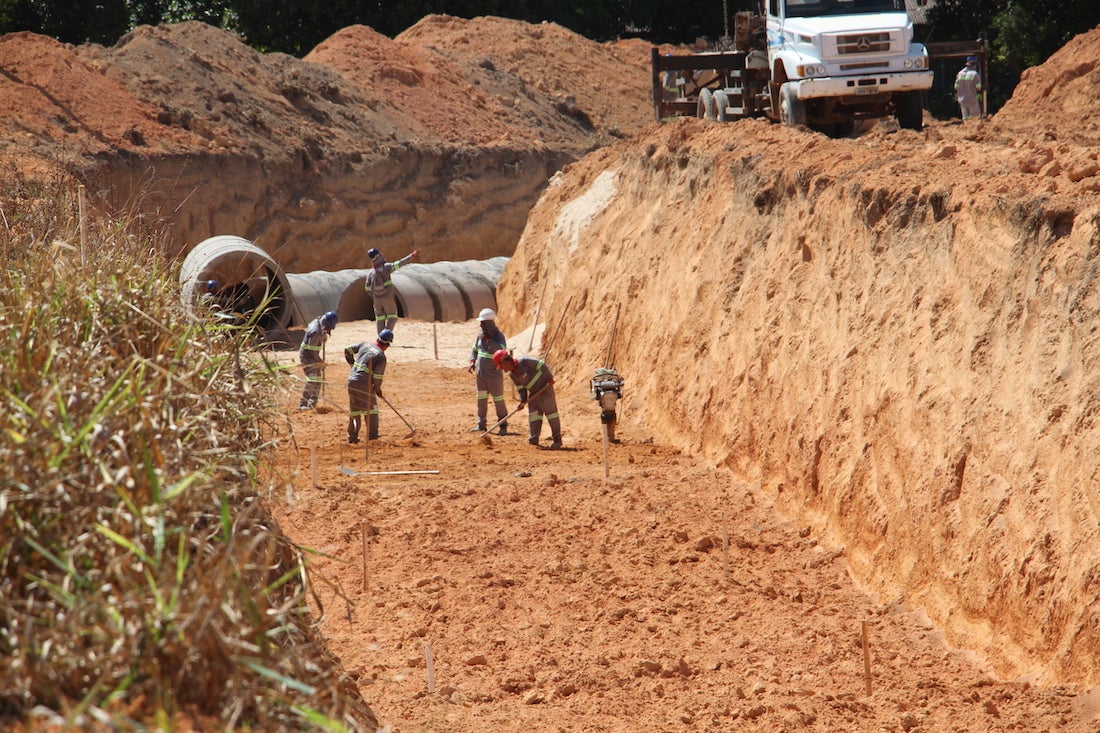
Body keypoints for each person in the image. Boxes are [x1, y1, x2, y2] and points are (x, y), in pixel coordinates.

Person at [493, 350, 562, 449]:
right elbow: (521, 388)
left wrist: (549, 377)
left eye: (502, 366)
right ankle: (534, 439)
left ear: (505, 361)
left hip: (545, 390)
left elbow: (541, 365)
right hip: (533, 394)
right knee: (534, 417)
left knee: (552, 415)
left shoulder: (525, 361)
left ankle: (557, 440)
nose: (503, 370)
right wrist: (522, 400)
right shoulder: (512, 375)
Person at [345, 328, 393, 443]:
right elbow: (377, 377)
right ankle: (373, 437)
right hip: (363, 383)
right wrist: (378, 390)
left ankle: (352, 437)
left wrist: (352, 364)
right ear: (387, 344)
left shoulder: (365, 344)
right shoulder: (380, 356)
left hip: (351, 381)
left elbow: (347, 350)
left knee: (355, 410)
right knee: (371, 410)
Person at [467, 308, 510, 434]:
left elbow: (502, 351)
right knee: (481, 399)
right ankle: (481, 424)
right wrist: (472, 360)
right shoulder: (480, 335)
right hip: (481, 374)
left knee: (498, 399)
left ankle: (503, 425)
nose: (480, 324)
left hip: (494, 375)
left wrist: (490, 341)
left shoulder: (498, 336)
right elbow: (474, 349)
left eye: (483, 322)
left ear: (489, 323)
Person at [365, 247, 419, 334]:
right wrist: (411, 255)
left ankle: (380, 339)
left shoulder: (371, 273)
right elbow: (400, 263)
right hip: (387, 297)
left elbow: (367, 288)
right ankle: (385, 336)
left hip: (376, 300)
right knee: (392, 317)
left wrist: (375, 295)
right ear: (379, 256)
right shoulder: (386, 267)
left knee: (379, 318)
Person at [298, 311, 337, 410]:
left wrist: (324, 337)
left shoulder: (321, 324)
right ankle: (303, 405)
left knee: (318, 379)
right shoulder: (315, 331)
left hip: (313, 355)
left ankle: (312, 404)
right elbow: (312, 351)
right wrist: (320, 362)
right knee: (312, 379)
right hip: (307, 356)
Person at [590, 367, 624, 444]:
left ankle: (606, 436)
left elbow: (595, 396)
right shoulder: (615, 387)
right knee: (612, 415)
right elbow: (619, 395)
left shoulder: (599, 386)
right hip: (612, 408)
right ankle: (611, 436)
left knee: (605, 414)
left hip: (605, 409)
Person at [955, 56, 982, 120]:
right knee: (975, 118)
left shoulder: (960, 73)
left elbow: (956, 87)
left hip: (962, 100)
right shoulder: (975, 74)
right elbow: (978, 88)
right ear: (975, 64)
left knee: (965, 118)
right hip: (972, 100)